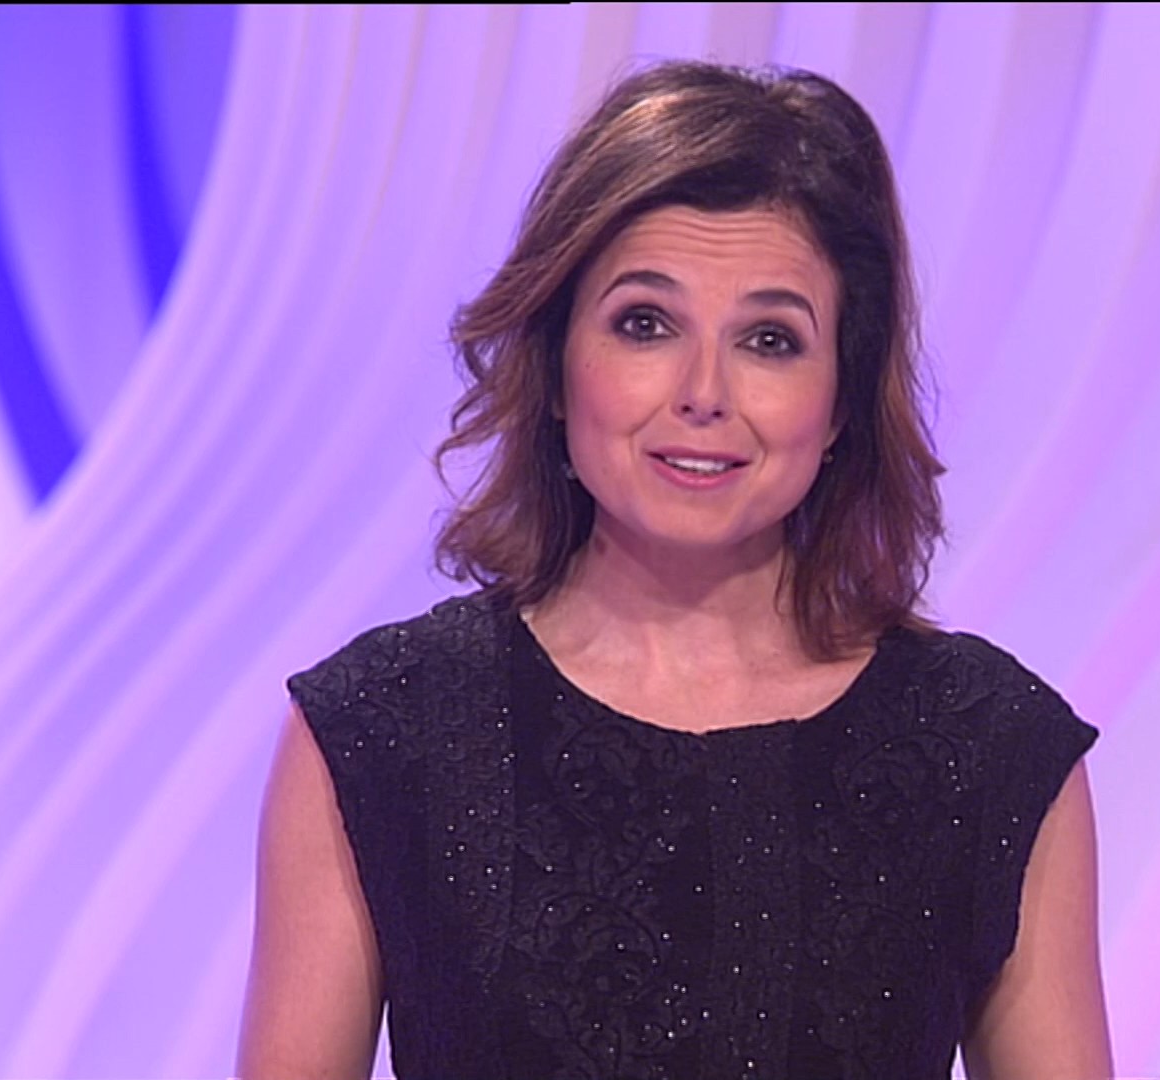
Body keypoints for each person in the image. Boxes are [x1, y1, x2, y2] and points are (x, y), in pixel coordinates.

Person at [237, 61, 1111, 1079]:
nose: (704, 393)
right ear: (554, 365)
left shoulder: (991, 751)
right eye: (645, 324)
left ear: (839, 403)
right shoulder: (381, 729)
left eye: (770, 340)